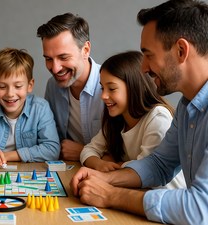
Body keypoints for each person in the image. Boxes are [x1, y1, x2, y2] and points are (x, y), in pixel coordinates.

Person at [71, 0, 208, 224]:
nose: (143, 68)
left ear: (181, 50)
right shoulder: (187, 106)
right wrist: (106, 177)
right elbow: (159, 164)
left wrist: (110, 194)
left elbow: (200, 209)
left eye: (148, 55)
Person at [79, 51, 185, 189]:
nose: (103, 96)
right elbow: (88, 149)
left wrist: (117, 163)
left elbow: (146, 172)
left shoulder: (157, 117)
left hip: (164, 198)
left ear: (134, 86)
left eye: (111, 88)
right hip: (135, 193)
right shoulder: (116, 119)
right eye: (102, 88)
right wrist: (100, 163)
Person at [36, 13, 104, 161]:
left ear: (85, 50)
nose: (55, 69)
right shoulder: (52, 86)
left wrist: (83, 151)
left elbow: (127, 153)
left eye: (63, 57)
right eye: (48, 59)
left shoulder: (111, 87)